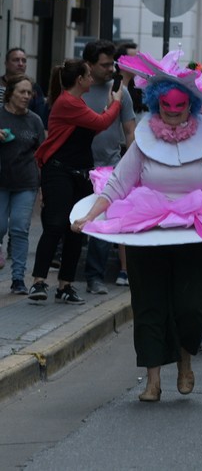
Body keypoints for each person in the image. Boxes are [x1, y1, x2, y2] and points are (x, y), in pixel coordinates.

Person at [72, 50, 202, 402]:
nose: (173, 114)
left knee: (190, 305)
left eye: (179, 108)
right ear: (156, 104)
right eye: (166, 108)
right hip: (147, 230)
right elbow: (118, 184)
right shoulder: (144, 139)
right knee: (149, 303)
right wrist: (89, 217)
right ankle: (152, 379)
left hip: (196, 229)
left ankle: (186, 362)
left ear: (190, 106)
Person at [29, 60, 122, 304]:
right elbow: (101, 123)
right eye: (89, 75)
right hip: (59, 172)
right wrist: (117, 104)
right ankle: (38, 282)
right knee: (56, 224)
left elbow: (93, 127)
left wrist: (108, 109)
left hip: (80, 173)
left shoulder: (76, 102)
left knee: (77, 228)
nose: (92, 79)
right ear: (79, 80)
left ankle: (65, 285)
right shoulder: (68, 102)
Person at [81, 39, 136, 294]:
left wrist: (131, 166)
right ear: (89, 65)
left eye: (112, 64)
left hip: (109, 167)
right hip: (78, 165)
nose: (111, 69)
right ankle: (67, 279)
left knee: (103, 223)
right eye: (104, 65)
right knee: (72, 222)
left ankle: (95, 276)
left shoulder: (120, 91)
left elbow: (130, 132)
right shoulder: (78, 87)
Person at [0, 75, 45, 293]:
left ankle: (18, 279)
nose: (27, 96)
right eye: (22, 92)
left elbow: (43, 153)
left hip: (26, 182)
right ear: (10, 93)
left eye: (30, 93)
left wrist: (44, 186)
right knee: (0, 226)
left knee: (19, 228)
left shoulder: (35, 120)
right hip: (1, 182)